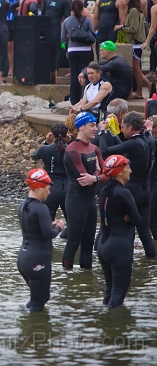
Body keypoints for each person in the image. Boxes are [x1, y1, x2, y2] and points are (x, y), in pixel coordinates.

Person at [98, 112, 156, 258]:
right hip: (146, 191)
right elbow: (124, 145)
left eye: (123, 127)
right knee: (144, 233)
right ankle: (151, 262)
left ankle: (127, 261)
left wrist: (103, 132)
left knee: (128, 230)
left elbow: (105, 151)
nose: (122, 130)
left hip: (131, 192)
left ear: (130, 127)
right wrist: (113, 129)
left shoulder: (134, 144)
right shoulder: (149, 140)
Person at [62, 112, 108, 270]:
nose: (95, 128)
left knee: (88, 243)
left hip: (90, 202)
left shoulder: (95, 148)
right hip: (76, 202)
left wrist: (95, 177)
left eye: (95, 125)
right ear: (81, 126)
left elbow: (107, 174)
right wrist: (97, 174)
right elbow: (84, 180)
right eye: (92, 125)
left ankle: (85, 279)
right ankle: (67, 278)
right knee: (74, 242)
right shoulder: (73, 150)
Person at [17, 168, 65, 312]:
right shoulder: (41, 208)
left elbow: (33, 229)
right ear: (39, 188)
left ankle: (25, 323)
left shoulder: (23, 206)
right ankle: (36, 332)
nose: (49, 193)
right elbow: (48, 234)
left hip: (23, 260)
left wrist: (49, 225)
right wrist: (59, 228)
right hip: (37, 260)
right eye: (47, 189)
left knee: (41, 298)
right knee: (39, 303)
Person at [96, 155, 141, 307]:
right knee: (117, 298)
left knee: (109, 292)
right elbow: (137, 219)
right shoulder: (124, 193)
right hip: (119, 247)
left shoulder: (104, 190)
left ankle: (104, 326)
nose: (131, 170)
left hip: (103, 245)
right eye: (128, 168)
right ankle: (115, 328)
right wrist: (129, 216)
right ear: (120, 171)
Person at [31, 124, 69, 222]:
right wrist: (71, 141)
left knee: (47, 223)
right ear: (67, 135)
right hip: (68, 189)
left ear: (52, 134)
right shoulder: (71, 149)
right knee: (72, 225)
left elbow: (34, 156)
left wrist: (46, 142)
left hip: (50, 189)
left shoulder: (45, 149)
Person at [61, 0, 95, 104]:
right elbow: (93, 35)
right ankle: (83, 98)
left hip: (72, 50)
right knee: (84, 74)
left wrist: (71, 40)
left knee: (74, 74)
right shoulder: (87, 20)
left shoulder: (66, 21)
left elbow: (63, 38)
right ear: (82, 9)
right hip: (85, 50)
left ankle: (74, 99)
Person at [119, 0, 148, 98]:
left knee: (136, 69)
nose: (124, 0)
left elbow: (133, 28)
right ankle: (146, 87)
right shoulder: (134, 11)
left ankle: (141, 90)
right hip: (135, 44)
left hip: (135, 44)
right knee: (135, 69)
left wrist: (121, 27)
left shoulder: (134, 11)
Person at [44, 0, 71, 78]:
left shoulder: (64, 0)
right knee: (46, 53)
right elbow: (43, 15)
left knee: (56, 53)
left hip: (57, 30)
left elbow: (67, 18)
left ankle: (54, 73)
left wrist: (66, 33)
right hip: (46, 31)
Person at [5, 0, 25, 76]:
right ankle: (10, 68)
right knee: (9, 46)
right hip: (8, 20)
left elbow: (21, 6)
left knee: (18, 45)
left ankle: (18, 67)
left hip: (17, 20)